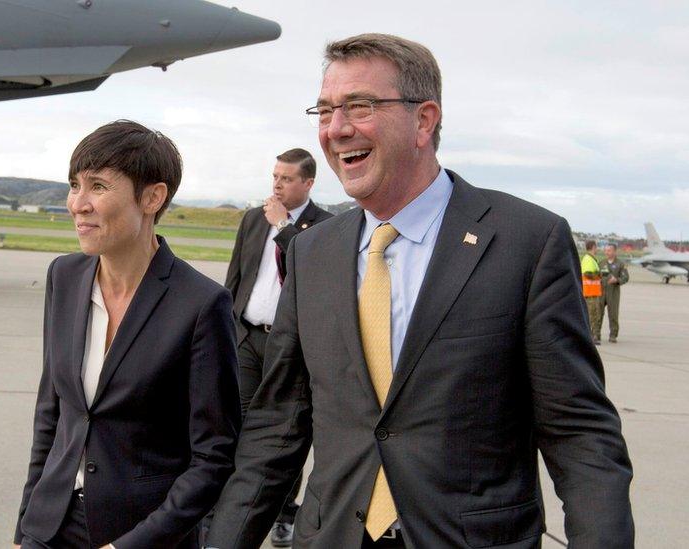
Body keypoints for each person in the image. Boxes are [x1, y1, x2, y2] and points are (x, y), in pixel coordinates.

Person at [207, 33, 633, 548]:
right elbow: (278, 426)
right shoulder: (311, 253)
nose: (336, 129)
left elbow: (578, 433)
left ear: (424, 120)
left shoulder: (527, 241)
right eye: (324, 111)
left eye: (358, 107)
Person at [14, 120, 240, 549]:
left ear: (152, 197)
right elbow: (52, 414)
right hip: (51, 526)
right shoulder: (64, 276)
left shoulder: (202, 304)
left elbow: (214, 457)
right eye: (74, 185)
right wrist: (25, 526)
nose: (78, 204)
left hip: (141, 534)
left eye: (97, 186)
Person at [222, 148, 332, 547]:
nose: (277, 185)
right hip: (248, 338)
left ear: (308, 183)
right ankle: (230, 508)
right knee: (239, 426)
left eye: (287, 179)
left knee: (285, 432)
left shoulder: (323, 227)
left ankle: (284, 512)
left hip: (289, 347)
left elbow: (314, 273)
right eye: (275, 177)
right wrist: (225, 330)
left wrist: (286, 226)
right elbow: (235, 277)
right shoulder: (253, 219)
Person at [596, 243, 629, 343]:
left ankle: (613, 335)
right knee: (598, 313)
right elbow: (597, 275)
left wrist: (617, 280)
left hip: (613, 292)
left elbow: (625, 277)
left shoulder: (620, 264)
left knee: (613, 314)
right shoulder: (601, 263)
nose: (607, 252)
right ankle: (596, 334)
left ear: (614, 251)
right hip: (601, 291)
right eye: (606, 250)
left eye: (609, 250)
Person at [581, 240, 603, 344]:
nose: (597, 249)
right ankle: (592, 337)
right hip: (590, 293)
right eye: (596, 247)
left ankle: (594, 336)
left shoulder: (591, 259)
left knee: (594, 314)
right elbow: (588, 274)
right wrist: (599, 275)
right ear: (593, 247)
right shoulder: (588, 259)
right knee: (593, 315)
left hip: (593, 292)